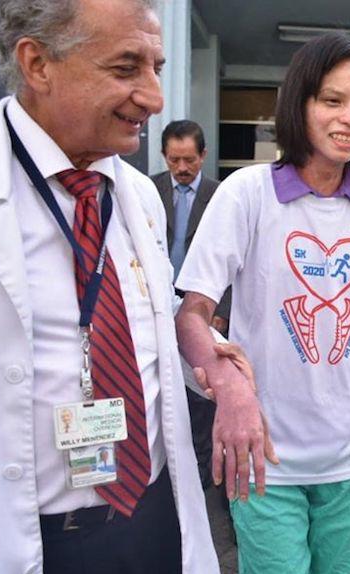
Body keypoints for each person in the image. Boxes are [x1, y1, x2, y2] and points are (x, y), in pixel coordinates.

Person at [0, 0, 226, 574]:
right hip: (33, 543)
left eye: (157, 67)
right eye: (126, 67)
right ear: (38, 63)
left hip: (152, 522)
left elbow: (149, 313)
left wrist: (205, 352)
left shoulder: (135, 194)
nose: (155, 97)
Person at [175, 33, 350, 574]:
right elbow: (191, 313)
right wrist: (229, 389)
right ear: (299, 103)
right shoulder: (247, 194)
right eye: (332, 100)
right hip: (264, 455)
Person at [152, 119, 227, 487]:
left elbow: (231, 259)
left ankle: (203, 476)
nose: (181, 168)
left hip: (205, 308)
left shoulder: (221, 195)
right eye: (173, 160)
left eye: (189, 160)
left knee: (203, 391)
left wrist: (222, 313)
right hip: (160, 305)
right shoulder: (148, 191)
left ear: (203, 156)